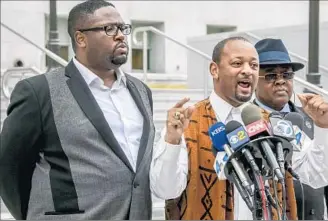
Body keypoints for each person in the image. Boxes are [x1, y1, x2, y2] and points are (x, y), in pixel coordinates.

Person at [0, 0, 192, 219]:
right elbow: (9, 168)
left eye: (122, 28)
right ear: (81, 38)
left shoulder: (141, 91)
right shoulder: (39, 91)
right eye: (109, 28)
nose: (120, 35)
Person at [152, 36, 328, 220]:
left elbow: (318, 175)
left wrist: (323, 128)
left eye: (254, 65)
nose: (248, 71)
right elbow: (165, 189)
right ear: (214, 69)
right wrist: (172, 142)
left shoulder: (274, 124)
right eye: (237, 63)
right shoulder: (188, 123)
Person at [253, 38, 328, 220]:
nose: (280, 81)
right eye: (271, 75)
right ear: (253, 80)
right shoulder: (245, 122)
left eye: (287, 75)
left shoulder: (314, 118)